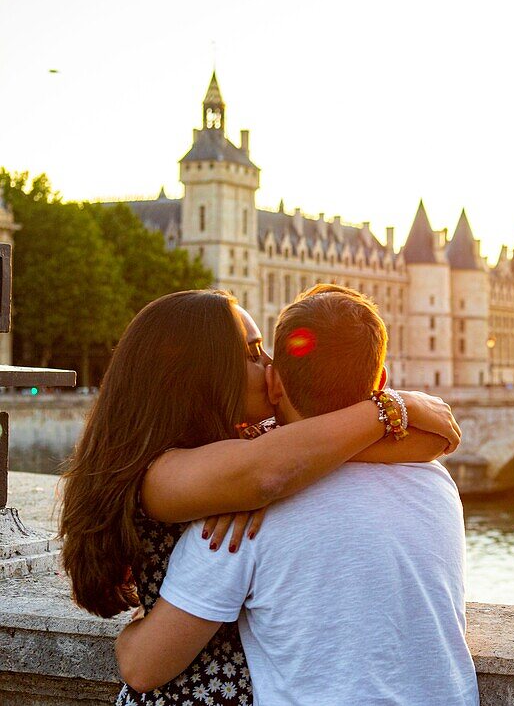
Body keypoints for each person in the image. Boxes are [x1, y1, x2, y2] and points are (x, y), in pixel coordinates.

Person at [59, 289, 461, 706]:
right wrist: (390, 407)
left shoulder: (261, 454)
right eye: (253, 353)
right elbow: (266, 474)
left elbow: (418, 444)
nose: (271, 366)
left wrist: (396, 413)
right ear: (201, 374)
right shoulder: (167, 474)